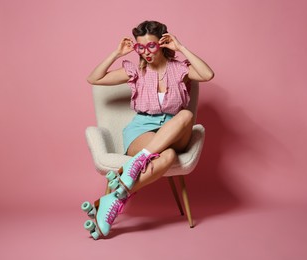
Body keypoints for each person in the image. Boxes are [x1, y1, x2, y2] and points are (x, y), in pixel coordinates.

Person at [82, 20, 214, 240]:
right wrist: (116, 53)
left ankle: (134, 166)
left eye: (151, 46)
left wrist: (180, 47)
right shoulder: (135, 71)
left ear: (162, 44)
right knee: (169, 155)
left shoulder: (180, 69)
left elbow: (208, 74)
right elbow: (93, 78)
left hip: (175, 130)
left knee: (186, 115)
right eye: (140, 47)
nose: (145, 53)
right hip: (141, 131)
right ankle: (113, 200)